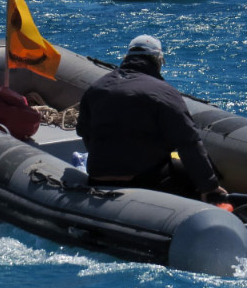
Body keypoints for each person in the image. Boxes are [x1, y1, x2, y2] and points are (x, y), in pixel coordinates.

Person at [76, 35, 229, 203]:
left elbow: (84, 132)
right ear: (159, 61)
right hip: (143, 180)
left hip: (97, 177)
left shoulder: (96, 88)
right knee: (187, 174)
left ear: (126, 58)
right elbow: (188, 143)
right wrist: (209, 186)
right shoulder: (164, 93)